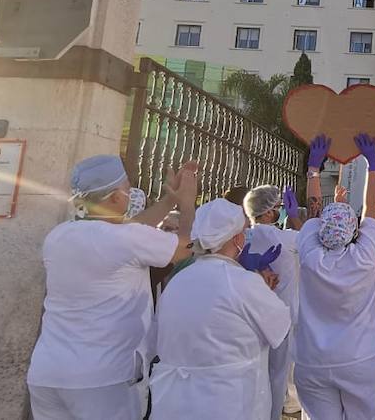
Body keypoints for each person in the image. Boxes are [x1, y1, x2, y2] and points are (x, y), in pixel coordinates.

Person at [28, 157, 199, 420]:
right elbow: (184, 249)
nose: (130, 194)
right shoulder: (125, 240)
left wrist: (169, 201)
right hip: (102, 379)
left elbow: (131, 230)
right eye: (127, 188)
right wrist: (187, 206)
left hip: (47, 374)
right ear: (117, 198)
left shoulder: (59, 236)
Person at [150, 198, 291, 419]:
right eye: (245, 231)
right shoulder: (241, 282)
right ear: (236, 239)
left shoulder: (178, 280)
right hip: (228, 401)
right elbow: (280, 326)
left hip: (174, 402)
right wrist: (262, 288)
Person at [290, 133, 375, 419]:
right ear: (355, 230)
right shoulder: (365, 256)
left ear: (320, 230)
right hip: (360, 358)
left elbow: (313, 213)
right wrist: (373, 165)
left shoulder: (310, 256)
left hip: (313, 361)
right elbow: (371, 209)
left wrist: (314, 169)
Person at [242, 183, 303, 420]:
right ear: (268, 212)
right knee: (278, 375)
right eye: (277, 206)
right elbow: (310, 239)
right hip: (282, 316)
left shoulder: (243, 236)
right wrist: (295, 217)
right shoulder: (284, 237)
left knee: (255, 371)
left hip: (251, 314)